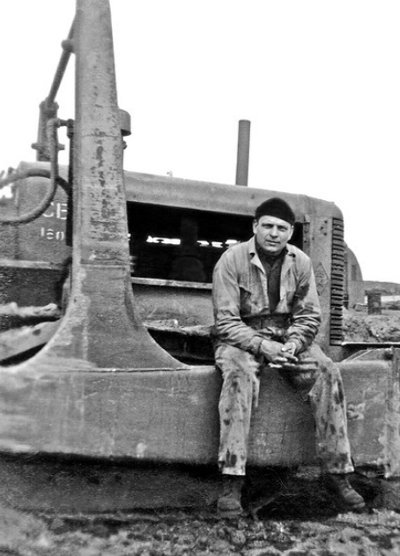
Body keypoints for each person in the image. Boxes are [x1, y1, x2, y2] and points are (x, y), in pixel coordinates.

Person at [212, 197, 365, 516]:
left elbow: (309, 315)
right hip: (241, 337)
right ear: (254, 227)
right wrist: (261, 346)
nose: (273, 233)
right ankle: (232, 482)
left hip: (286, 337)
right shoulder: (231, 259)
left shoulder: (301, 262)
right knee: (238, 376)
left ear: (290, 232)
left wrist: (293, 345)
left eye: (281, 228)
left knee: (326, 371)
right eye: (267, 225)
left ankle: (338, 474)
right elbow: (226, 321)